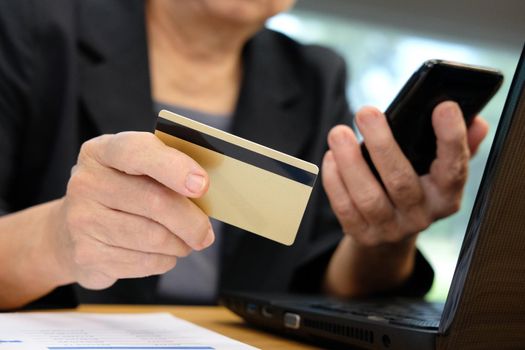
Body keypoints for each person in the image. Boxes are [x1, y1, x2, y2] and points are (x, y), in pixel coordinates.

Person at [0, 0, 488, 310]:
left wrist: (387, 236)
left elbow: (327, 280)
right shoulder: (27, 26)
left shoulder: (316, 78)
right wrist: (53, 239)